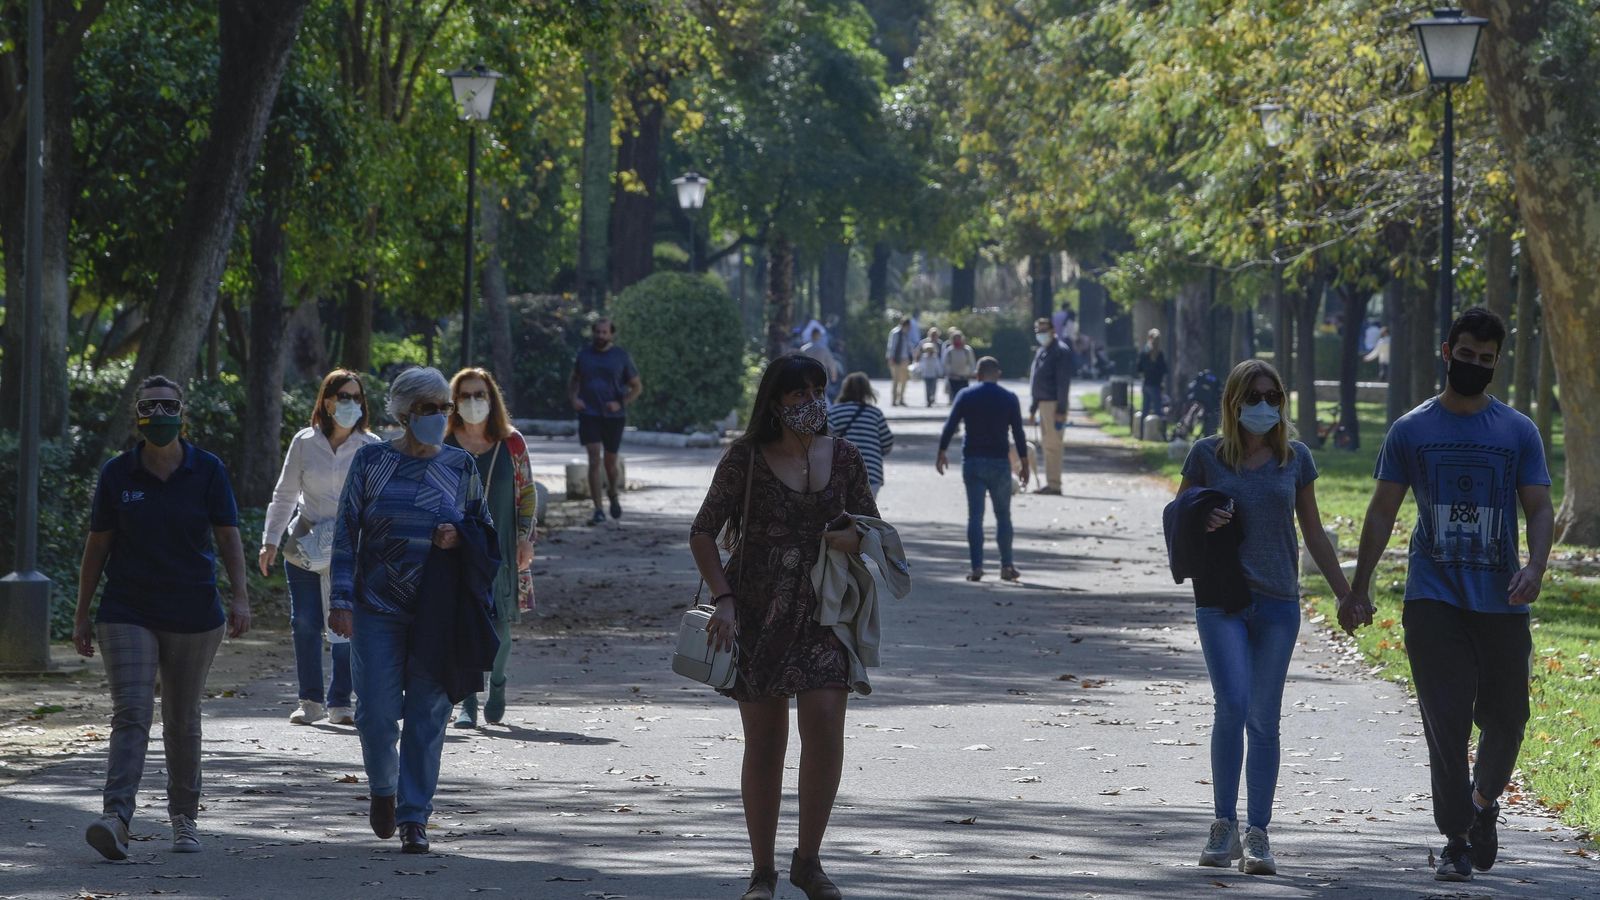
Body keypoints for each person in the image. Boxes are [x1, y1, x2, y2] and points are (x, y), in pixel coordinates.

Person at [1343, 308, 1552, 883]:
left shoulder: (1517, 431)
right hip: (1433, 599)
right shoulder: (1412, 429)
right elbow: (1383, 511)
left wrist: (1536, 566)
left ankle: (1482, 808)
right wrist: (1358, 587)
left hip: (1502, 599)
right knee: (1447, 722)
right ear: (1446, 351)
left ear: (1496, 363)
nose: (1475, 366)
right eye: (1467, 356)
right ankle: (1456, 838)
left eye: (1487, 360)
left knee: (1508, 719)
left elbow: (1538, 505)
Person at [689, 353, 879, 900]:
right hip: (757, 610)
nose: (810, 402)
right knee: (766, 743)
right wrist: (723, 598)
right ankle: (763, 871)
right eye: (797, 393)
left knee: (824, 730)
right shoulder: (745, 459)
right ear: (775, 400)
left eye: (818, 390)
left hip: (826, 610)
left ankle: (809, 861)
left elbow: (871, 524)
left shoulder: (844, 456)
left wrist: (854, 537)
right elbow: (703, 532)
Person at [1171, 359, 1348, 876]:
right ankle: (1223, 824)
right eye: (1254, 395)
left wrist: (1344, 594)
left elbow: (1314, 534)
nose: (1264, 406)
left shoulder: (1296, 459)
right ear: (1233, 402)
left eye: (1273, 396)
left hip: (1277, 603)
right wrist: (1202, 516)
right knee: (1232, 703)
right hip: (1220, 599)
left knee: (1264, 720)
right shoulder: (1205, 454)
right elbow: (1177, 517)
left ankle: (1259, 833)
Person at [73, 375, 253, 860]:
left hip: (194, 612)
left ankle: (184, 819)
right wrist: (82, 612)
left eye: (167, 405)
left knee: (181, 719)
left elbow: (228, 537)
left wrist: (240, 597)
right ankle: (117, 818)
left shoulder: (208, 470)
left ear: (182, 412)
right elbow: (99, 544)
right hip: (127, 609)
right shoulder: (118, 474)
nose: (159, 414)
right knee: (132, 711)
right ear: (137, 415)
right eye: (149, 406)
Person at [330, 366, 489, 854]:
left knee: (427, 715)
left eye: (445, 408)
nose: (440, 417)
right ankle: (383, 787)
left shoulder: (461, 466)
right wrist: (340, 600)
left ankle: (414, 815)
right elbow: (345, 532)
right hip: (376, 607)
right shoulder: (371, 463)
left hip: (437, 614)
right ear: (403, 414)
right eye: (428, 409)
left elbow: (485, 534)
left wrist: (458, 536)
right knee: (375, 712)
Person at [260, 369, 381, 727]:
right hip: (306, 543)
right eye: (343, 396)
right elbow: (284, 494)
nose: (350, 403)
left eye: (357, 397)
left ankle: (341, 702)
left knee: (343, 625)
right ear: (327, 401)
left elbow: (377, 501)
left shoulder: (371, 446)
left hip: (350, 548)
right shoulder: (304, 441)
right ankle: (309, 700)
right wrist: (270, 540)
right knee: (305, 622)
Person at [446, 367, 538, 729]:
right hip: (455, 550)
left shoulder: (511, 442)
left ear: (492, 398)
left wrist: (525, 537)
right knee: (462, 626)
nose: (472, 402)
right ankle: (468, 700)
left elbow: (527, 491)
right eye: (465, 395)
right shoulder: (444, 441)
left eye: (479, 394)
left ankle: (497, 683)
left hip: (500, 549)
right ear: (454, 401)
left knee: (500, 631)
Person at [936, 356, 1030, 582]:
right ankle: (1006, 565)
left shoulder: (966, 396)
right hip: (999, 462)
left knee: (975, 516)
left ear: (977, 375)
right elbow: (1018, 432)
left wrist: (942, 451)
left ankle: (976, 567)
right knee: (1003, 515)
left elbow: (950, 426)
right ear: (997, 374)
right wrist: (1024, 464)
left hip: (973, 461)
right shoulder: (1009, 398)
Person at [568, 318, 642, 525]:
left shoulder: (621, 357)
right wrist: (574, 399)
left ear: (611, 334)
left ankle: (612, 492)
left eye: (605, 332)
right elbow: (574, 380)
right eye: (598, 332)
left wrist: (622, 402)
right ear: (593, 333)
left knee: (610, 462)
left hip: (614, 417)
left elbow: (636, 386)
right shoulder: (584, 355)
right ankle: (598, 509)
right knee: (594, 459)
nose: (601, 336)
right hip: (589, 414)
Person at [827, 372, 895, 498]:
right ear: (867, 391)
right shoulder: (875, 414)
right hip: (872, 473)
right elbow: (887, 443)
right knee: (864, 515)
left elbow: (825, 440)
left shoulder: (833, 412)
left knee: (842, 514)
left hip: (842, 473)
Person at [1028, 317, 1074, 495]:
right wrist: (1033, 408)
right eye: (1038, 331)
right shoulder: (1042, 351)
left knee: (1053, 445)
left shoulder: (1060, 352)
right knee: (1047, 444)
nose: (1041, 334)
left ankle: (1054, 484)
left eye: (1044, 330)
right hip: (1042, 403)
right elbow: (1036, 380)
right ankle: (1050, 481)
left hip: (1054, 404)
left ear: (1053, 331)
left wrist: (1061, 409)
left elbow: (1063, 383)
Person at [1136, 328, 1169, 435]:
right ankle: (1161, 434)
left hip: (1146, 384)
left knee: (1145, 410)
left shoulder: (1144, 353)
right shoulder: (1160, 354)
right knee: (1158, 411)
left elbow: (1138, 368)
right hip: (1156, 385)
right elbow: (1164, 370)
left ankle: (1141, 433)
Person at [801, 330, 842, 404]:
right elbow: (831, 364)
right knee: (821, 397)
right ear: (819, 336)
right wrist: (833, 376)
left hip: (805, 378)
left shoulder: (804, 349)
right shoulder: (824, 349)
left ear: (811, 336)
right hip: (820, 377)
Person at [884, 316, 915, 406]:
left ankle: (901, 398)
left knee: (904, 380)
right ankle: (894, 400)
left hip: (905, 360)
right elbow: (891, 346)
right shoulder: (895, 333)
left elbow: (909, 346)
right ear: (904, 325)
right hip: (896, 360)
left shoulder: (906, 334)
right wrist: (890, 358)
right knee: (896, 380)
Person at [915, 329, 946, 407]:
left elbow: (940, 359)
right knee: (927, 387)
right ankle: (928, 399)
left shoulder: (939, 344)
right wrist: (918, 368)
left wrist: (940, 371)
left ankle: (933, 398)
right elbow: (919, 357)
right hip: (926, 373)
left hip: (934, 373)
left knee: (934, 386)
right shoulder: (923, 343)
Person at [942, 329, 977, 397]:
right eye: (955, 338)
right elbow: (945, 363)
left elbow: (972, 362)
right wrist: (948, 372)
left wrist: (971, 373)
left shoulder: (967, 350)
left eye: (958, 338)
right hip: (953, 377)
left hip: (964, 377)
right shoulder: (949, 350)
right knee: (954, 396)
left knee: (964, 396)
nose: (957, 340)